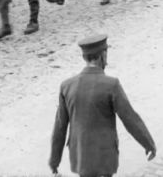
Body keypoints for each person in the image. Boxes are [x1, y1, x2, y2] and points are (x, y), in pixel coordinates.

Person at [49, 34, 156, 177]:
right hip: (105, 156)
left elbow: (60, 127)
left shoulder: (67, 86)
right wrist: (148, 144)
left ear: (84, 57)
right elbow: (130, 118)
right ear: (103, 56)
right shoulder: (111, 85)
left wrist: (54, 161)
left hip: (80, 156)